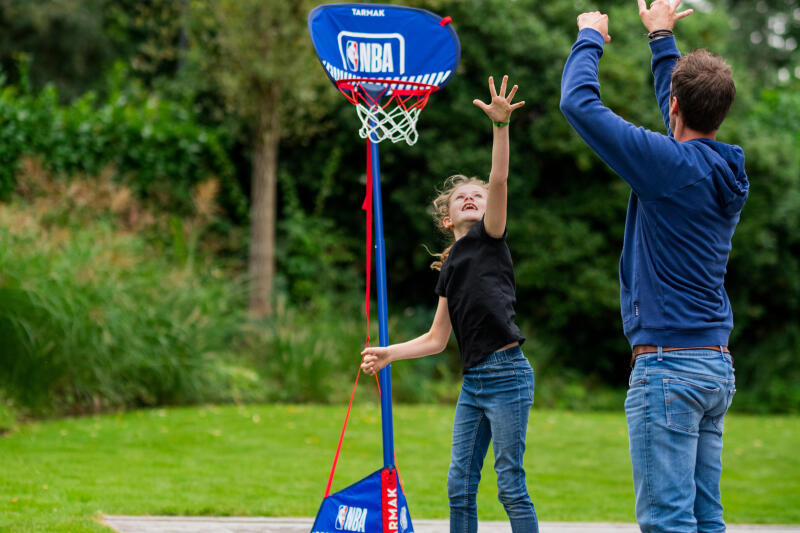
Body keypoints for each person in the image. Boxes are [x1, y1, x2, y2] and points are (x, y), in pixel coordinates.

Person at [560, 1, 748, 531]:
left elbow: (578, 103)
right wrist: (662, 39)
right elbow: (680, 110)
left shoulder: (668, 167)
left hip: (669, 369)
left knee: (667, 522)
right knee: (704, 521)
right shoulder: (720, 168)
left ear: (675, 106)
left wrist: (590, 38)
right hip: (713, 367)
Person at [361, 75, 538, 533]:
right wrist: (388, 353)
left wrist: (501, 128)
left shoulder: (490, 238)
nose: (472, 198)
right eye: (462, 197)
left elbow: (498, 178)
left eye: (477, 196)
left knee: (509, 484)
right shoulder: (450, 269)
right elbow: (438, 339)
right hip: (475, 383)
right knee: (459, 483)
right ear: (447, 217)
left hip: (508, 375)